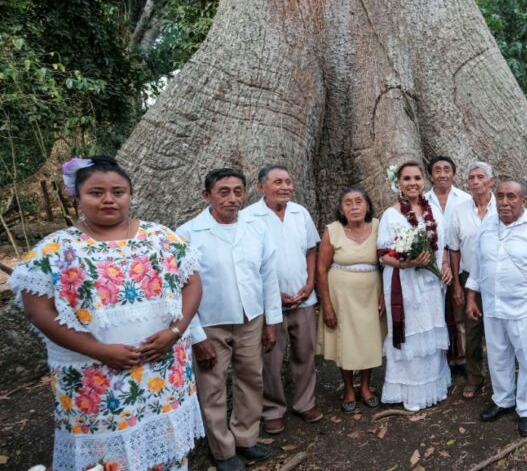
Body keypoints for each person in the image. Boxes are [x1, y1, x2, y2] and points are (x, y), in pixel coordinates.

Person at [10, 156, 205, 470]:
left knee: (164, 453)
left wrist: (175, 332)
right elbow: (39, 312)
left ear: (130, 195)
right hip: (96, 379)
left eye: (118, 191)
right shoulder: (57, 249)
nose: (109, 200)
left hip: (163, 371)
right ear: (77, 196)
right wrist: (101, 351)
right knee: (106, 458)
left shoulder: (161, 239)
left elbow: (193, 283)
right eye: (96, 192)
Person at [180, 168, 281, 471]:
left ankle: (245, 437)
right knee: (212, 386)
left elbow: (267, 275)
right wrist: (196, 337)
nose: (232, 198)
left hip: (251, 317)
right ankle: (223, 451)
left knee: (251, 378)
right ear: (206, 195)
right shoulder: (187, 233)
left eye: (238, 191)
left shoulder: (255, 228)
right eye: (223, 192)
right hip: (210, 322)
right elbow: (182, 288)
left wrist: (271, 321)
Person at [465, 179, 527, 437]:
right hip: (493, 306)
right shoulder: (487, 226)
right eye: (501, 196)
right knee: (497, 355)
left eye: (511, 197)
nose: (505, 202)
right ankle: (503, 399)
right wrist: (472, 297)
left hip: (525, 309)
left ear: (523, 200)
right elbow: (478, 265)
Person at [242, 165, 322, 434]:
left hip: (303, 299)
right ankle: (273, 409)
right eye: (278, 182)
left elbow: (311, 250)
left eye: (288, 181)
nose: (285, 187)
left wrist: (310, 283)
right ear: (261, 186)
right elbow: (245, 263)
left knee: (305, 354)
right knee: (270, 360)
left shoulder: (301, 213)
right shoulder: (248, 218)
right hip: (268, 304)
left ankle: (304, 402)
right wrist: (272, 295)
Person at [377, 161, 454, 411]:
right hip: (404, 282)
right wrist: (406, 263)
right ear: (398, 183)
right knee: (410, 332)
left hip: (431, 283)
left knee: (430, 329)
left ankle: (433, 384)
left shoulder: (433, 209)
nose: (413, 183)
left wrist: (445, 266)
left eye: (417, 178)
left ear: (424, 181)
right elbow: (382, 254)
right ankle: (409, 389)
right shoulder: (391, 214)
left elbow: (442, 244)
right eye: (407, 178)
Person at [317, 187, 384, 413]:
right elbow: (321, 269)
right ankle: (348, 388)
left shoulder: (378, 226)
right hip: (341, 296)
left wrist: (384, 295)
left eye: (359, 202)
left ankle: (365, 387)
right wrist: (326, 304)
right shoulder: (332, 231)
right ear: (341, 209)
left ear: (367, 206)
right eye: (348, 203)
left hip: (371, 293)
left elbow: (387, 263)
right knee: (344, 342)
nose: (354, 207)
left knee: (369, 340)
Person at [445, 161, 497, 399]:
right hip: (468, 278)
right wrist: (457, 283)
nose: (475, 182)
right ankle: (475, 378)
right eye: (471, 178)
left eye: (480, 177)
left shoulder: (503, 207)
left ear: (491, 181)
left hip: (498, 278)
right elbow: (454, 249)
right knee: (473, 331)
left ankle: (501, 380)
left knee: (500, 331)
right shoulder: (460, 210)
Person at [424, 155, 472, 367]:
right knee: (436, 313)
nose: (442, 174)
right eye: (437, 170)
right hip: (430, 268)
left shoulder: (465, 199)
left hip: (459, 263)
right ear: (430, 176)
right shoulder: (423, 200)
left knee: (459, 313)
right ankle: (441, 358)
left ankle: (462, 357)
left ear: (454, 174)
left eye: (447, 170)